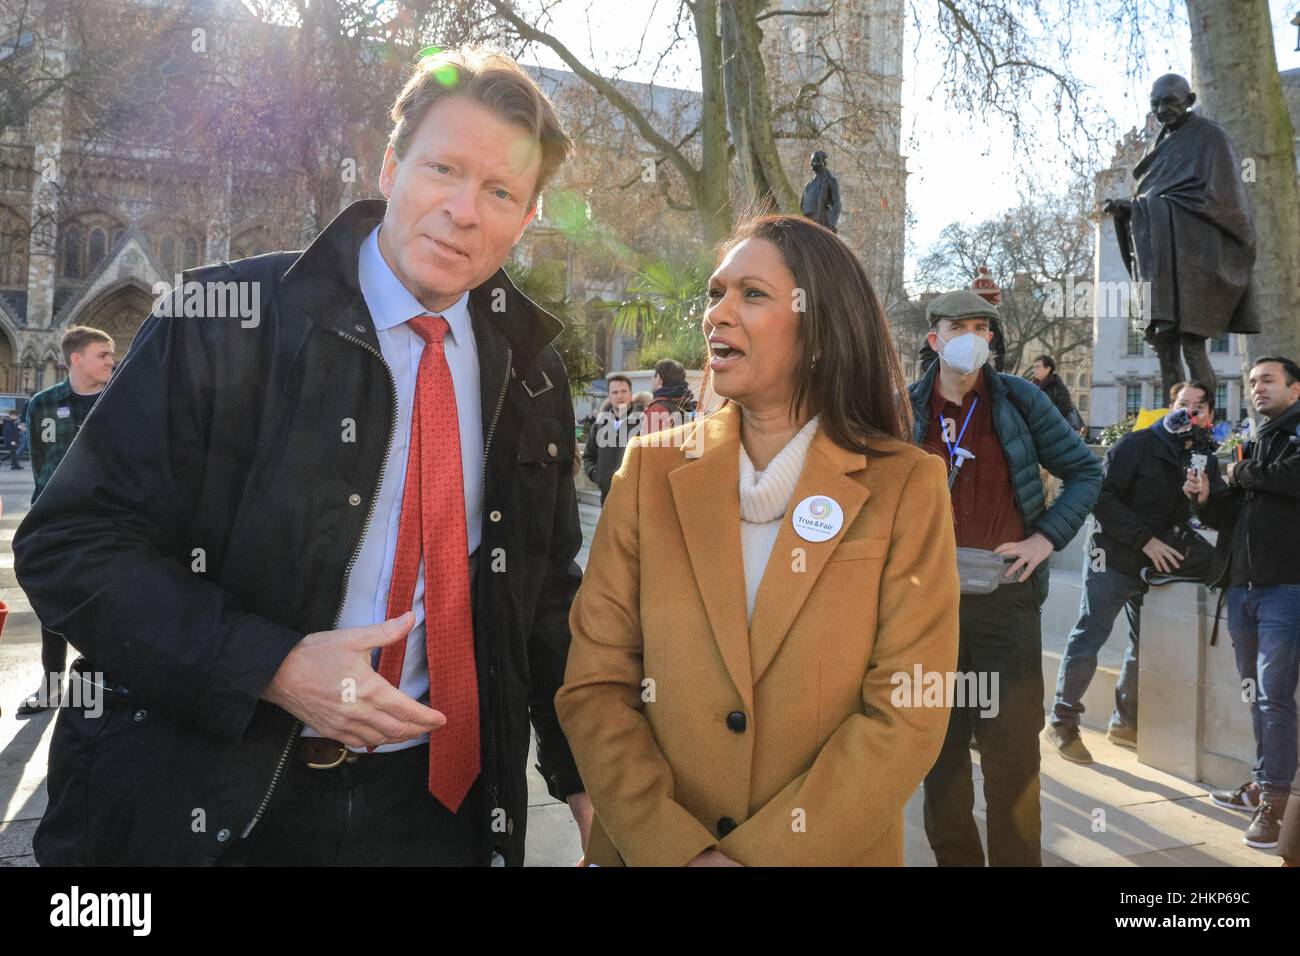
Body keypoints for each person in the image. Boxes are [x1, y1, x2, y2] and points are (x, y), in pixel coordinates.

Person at [13, 47, 590, 866]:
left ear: (529, 218)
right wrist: (270, 665)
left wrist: (580, 775)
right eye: (444, 169)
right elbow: (68, 545)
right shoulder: (226, 321)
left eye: (501, 191)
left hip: (434, 812)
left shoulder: (530, 372)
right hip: (217, 804)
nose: (465, 209)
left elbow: (543, 600)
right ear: (390, 168)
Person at [557, 214, 959, 866]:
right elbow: (595, 686)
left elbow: (907, 714)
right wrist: (677, 850)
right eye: (715, 292)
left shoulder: (906, 487)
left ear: (821, 329)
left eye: (751, 294)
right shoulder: (649, 471)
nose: (718, 312)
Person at [909, 290, 1101, 867]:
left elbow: (1085, 471)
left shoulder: (1018, 400)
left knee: (1012, 759)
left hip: (1006, 603)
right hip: (928, 610)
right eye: (958, 326)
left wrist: (1044, 540)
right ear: (933, 338)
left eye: (982, 327)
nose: (972, 336)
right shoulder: (905, 407)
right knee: (939, 759)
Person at [1044, 382, 1219, 763]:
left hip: (1155, 564)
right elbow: (1100, 498)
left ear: (1209, 414)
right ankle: (1062, 720)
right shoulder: (1138, 444)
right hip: (1112, 554)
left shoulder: (1203, 454)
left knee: (1142, 643)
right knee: (1092, 631)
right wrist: (1146, 542)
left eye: (1198, 407)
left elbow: (1213, 513)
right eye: (1181, 404)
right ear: (1168, 406)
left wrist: (1203, 496)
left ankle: (1125, 723)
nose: (1189, 413)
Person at [1192, 356, 1300, 851]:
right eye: (1252, 381)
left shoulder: (1286, 438)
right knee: (1257, 693)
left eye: (1268, 380)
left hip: (1286, 588)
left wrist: (1240, 470)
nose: (1257, 388)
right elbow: (1227, 515)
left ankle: (1275, 805)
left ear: (1294, 390)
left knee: (1275, 696)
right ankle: (1261, 781)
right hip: (1241, 589)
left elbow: (1290, 478)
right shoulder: (1253, 439)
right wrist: (1207, 495)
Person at [1103, 73, 1259, 399]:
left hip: (1196, 258)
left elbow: (1225, 199)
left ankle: (1201, 425)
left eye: (1169, 102)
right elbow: (1154, 193)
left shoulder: (1211, 138)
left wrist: (1152, 207)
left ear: (1188, 101)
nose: (1161, 110)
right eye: (1155, 104)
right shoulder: (1157, 144)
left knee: (1192, 344)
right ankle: (1171, 420)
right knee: (1163, 344)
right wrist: (1132, 208)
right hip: (1161, 258)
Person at [14, 325, 115, 717]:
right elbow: (42, 463)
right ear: (76, 358)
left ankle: (105, 688)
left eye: (110, 354)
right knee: (52, 606)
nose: (111, 360)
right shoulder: (42, 403)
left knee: (110, 606)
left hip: (111, 521)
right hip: (55, 520)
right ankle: (52, 686)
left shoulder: (119, 399)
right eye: (102, 354)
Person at [581, 374, 646, 504]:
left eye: (623, 391)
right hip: (607, 497)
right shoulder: (600, 424)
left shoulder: (644, 422)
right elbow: (588, 456)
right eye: (615, 392)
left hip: (634, 498)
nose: (620, 396)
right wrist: (596, 474)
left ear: (631, 394)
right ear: (609, 396)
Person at [642, 357, 697, 434]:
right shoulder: (692, 406)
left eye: (653, 377)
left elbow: (650, 444)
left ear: (658, 378)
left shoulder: (657, 409)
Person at [1029, 355, 1078, 426]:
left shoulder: (1058, 386)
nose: (1034, 370)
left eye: (1037, 367)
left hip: (1055, 429)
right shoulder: (1032, 386)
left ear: (1048, 369)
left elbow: (1066, 408)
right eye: (1034, 367)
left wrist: (1044, 415)